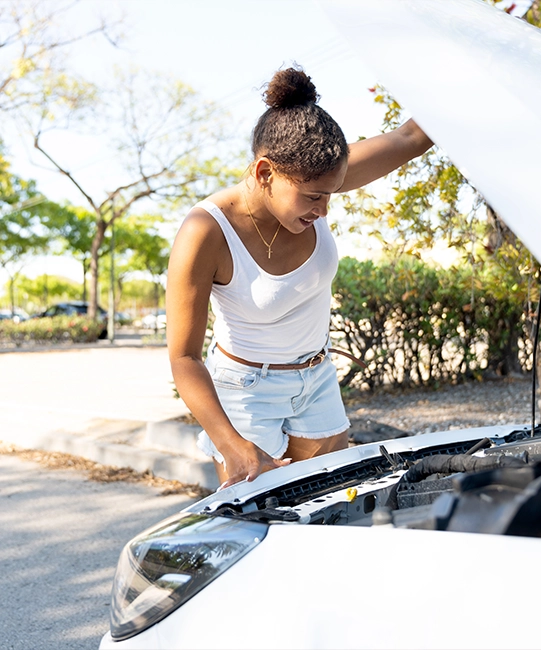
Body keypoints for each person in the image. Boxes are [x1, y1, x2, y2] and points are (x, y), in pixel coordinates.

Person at [166, 66, 433, 489]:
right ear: (265, 173)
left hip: (317, 378)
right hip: (246, 391)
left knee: (335, 506)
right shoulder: (206, 232)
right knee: (263, 524)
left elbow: (411, 137)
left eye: (331, 193)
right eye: (313, 197)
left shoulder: (317, 174)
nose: (324, 210)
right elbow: (184, 358)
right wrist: (232, 443)